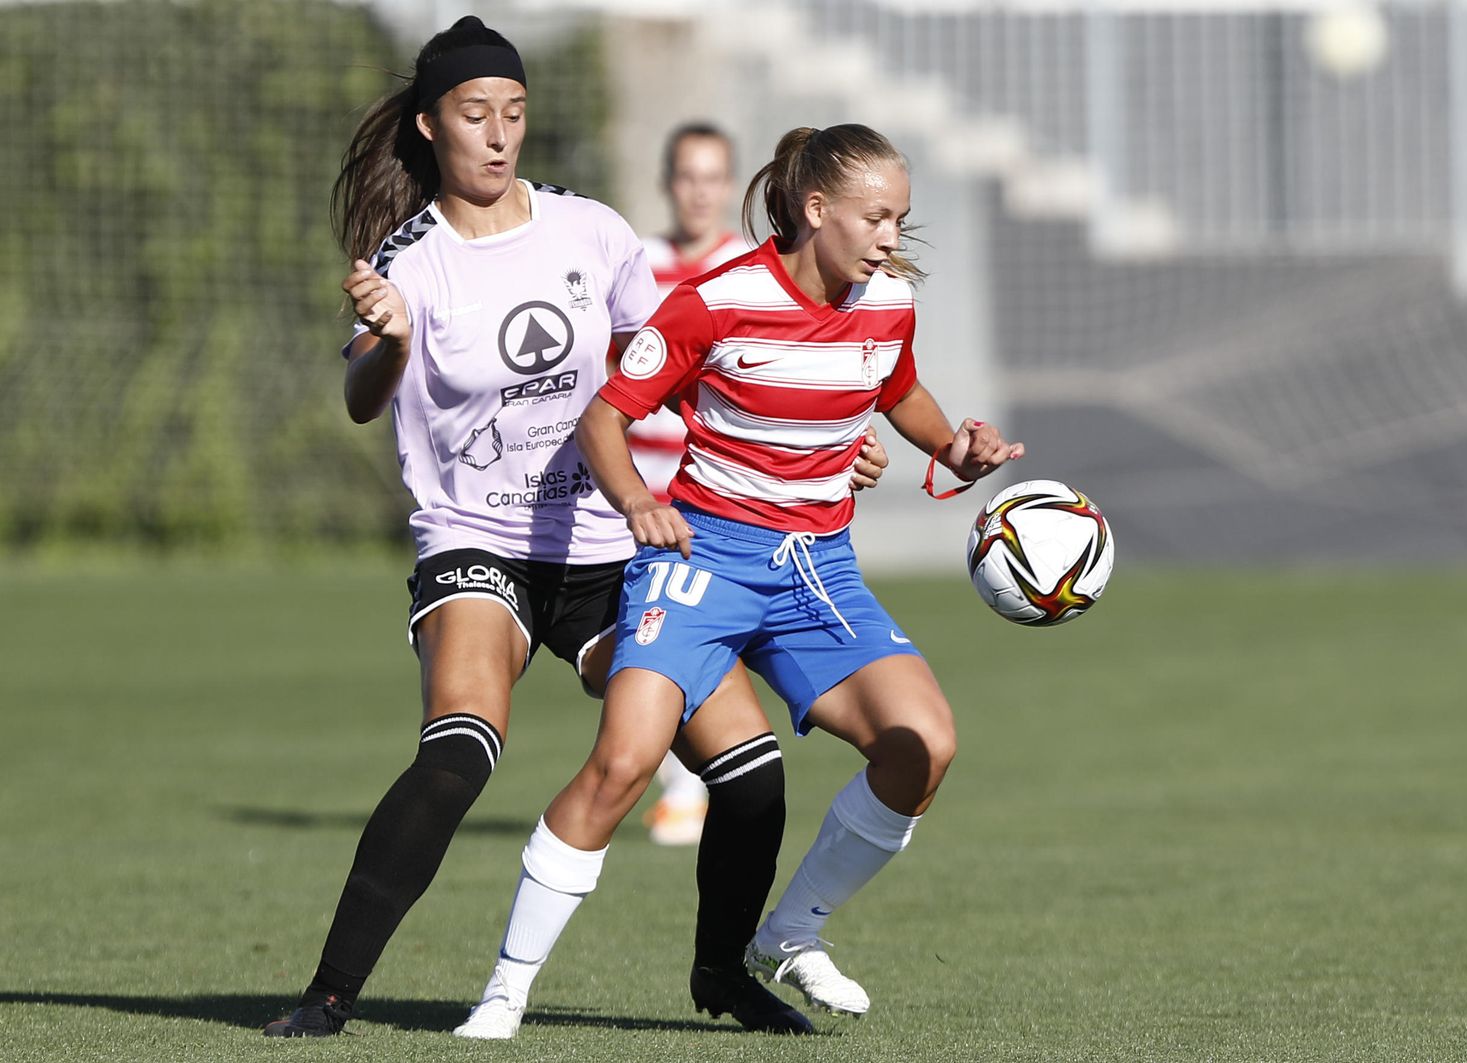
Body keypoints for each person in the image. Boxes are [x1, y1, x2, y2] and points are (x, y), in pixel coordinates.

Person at [262, 20, 885, 1039]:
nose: (499, 134)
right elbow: (365, 400)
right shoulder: (408, 259)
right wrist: (390, 338)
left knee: (748, 762)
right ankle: (328, 995)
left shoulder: (590, 231)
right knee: (460, 750)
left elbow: (675, 369)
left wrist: (819, 446)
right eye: (474, 115)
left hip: (608, 550)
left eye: (513, 111)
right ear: (429, 127)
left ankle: (721, 975)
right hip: (478, 542)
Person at [455, 122, 1024, 1028]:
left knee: (924, 744)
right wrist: (640, 501)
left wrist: (953, 444)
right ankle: (505, 991)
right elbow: (605, 418)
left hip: (816, 569)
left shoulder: (889, 303)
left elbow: (896, 388)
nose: (890, 237)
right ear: (816, 208)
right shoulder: (715, 301)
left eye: (900, 219)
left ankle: (790, 933)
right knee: (624, 762)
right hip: (702, 561)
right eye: (876, 217)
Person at [631, 122, 756, 847]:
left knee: (700, 637)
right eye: (687, 175)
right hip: (634, 493)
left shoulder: (750, 269)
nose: (700, 190)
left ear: (730, 184)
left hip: (717, 489)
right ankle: (680, 778)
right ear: (668, 181)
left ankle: (690, 786)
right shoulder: (637, 264)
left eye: (713, 176)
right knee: (643, 639)